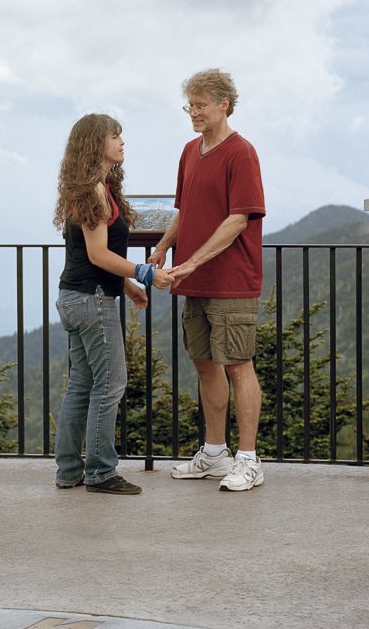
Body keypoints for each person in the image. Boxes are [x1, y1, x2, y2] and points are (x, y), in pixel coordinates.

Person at [149, 69, 267, 491]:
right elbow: (184, 211)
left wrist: (194, 261)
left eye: (201, 106)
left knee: (238, 365)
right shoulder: (188, 151)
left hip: (231, 280)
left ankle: (249, 460)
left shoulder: (242, 153)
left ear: (224, 105)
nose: (194, 113)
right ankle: (215, 453)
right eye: (190, 106)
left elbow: (238, 219)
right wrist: (164, 247)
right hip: (191, 278)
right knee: (204, 366)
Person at [53, 113, 175, 495]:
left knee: (82, 385)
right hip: (93, 300)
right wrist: (145, 274)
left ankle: (69, 470)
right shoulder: (93, 191)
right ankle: (101, 472)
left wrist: (126, 284)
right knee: (110, 385)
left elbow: (92, 258)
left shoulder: (90, 187)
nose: (122, 142)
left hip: (76, 297)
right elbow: (98, 254)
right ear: (95, 144)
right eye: (114, 136)